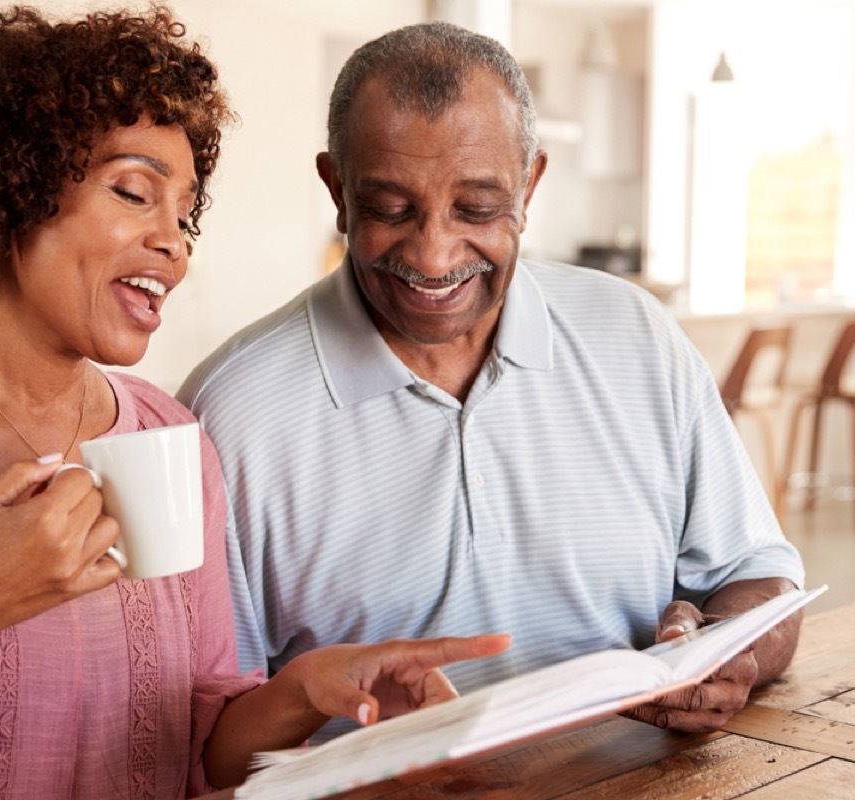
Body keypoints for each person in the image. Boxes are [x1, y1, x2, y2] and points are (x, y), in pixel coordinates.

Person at [0, 9, 511, 798]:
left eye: (184, 214)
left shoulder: (169, 433)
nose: (175, 242)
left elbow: (201, 751)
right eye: (134, 192)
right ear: (10, 189)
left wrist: (310, 689)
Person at [178, 20, 806, 740]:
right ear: (337, 190)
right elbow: (205, 738)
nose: (435, 254)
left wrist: (729, 651)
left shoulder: (637, 338)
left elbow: (762, 578)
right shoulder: (230, 414)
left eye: (476, 208)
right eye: (389, 209)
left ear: (530, 183)